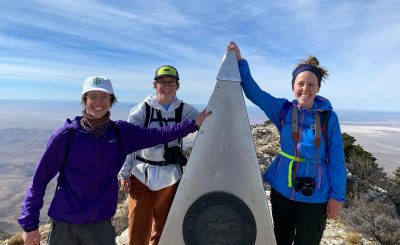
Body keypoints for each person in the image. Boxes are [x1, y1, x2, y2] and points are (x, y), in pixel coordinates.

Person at [18, 75, 211, 245]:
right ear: (84, 100)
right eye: (92, 96)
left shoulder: (120, 133)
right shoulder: (65, 136)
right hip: (65, 224)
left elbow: (158, 134)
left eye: (104, 97)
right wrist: (30, 225)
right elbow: (39, 181)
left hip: (100, 225)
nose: (98, 102)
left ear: (111, 101)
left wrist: (193, 124)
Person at [227, 42, 346, 245]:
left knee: (307, 240)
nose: (305, 89)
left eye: (311, 84)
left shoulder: (328, 118)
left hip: (315, 194)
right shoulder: (282, 109)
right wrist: (240, 61)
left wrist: (337, 197)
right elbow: (254, 92)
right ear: (293, 87)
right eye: (300, 84)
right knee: (280, 238)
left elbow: (336, 160)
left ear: (318, 88)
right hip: (283, 189)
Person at [118, 65, 199, 245]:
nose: (167, 86)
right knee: (138, 226)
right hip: (141, 175)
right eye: (162, 82)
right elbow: (129, 144)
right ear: (155, 85)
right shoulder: (142, 110)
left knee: (164, 227)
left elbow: (205, 122)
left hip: (170, 176)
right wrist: (124, 173)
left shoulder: (185, 110)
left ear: (177, 86)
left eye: (171, 82)